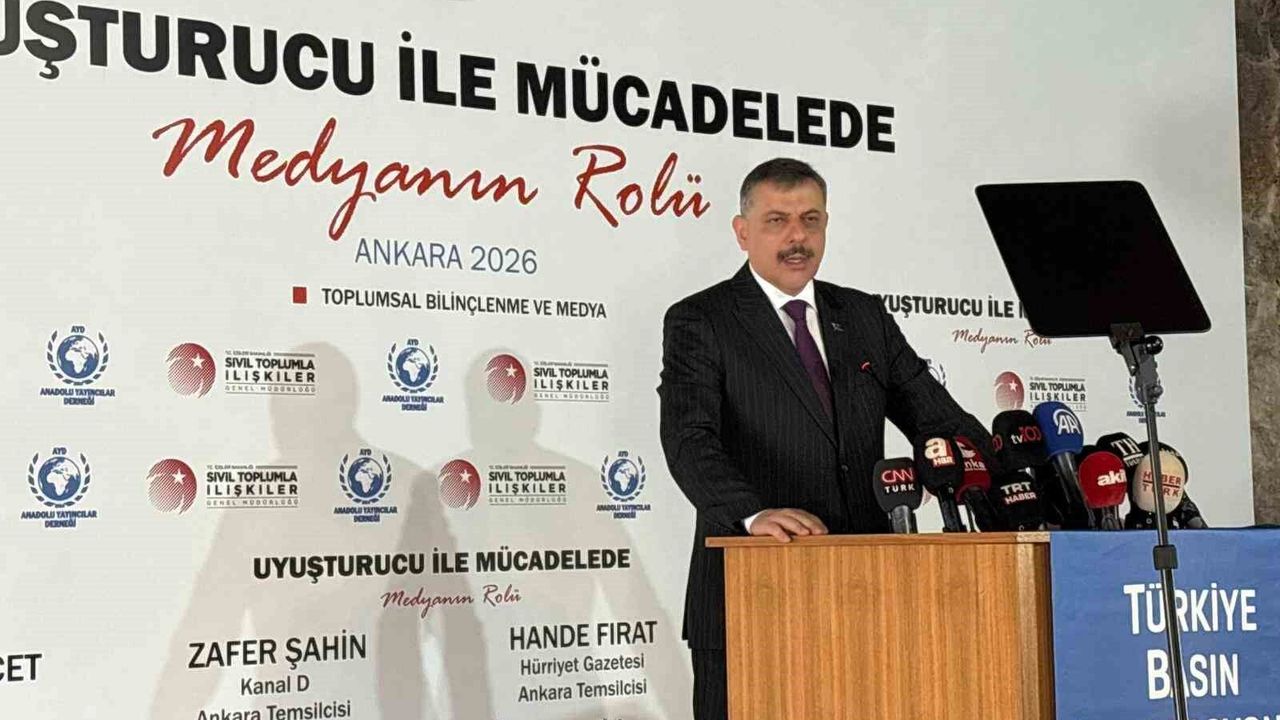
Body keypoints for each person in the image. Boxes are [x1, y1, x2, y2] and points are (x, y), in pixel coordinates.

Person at [657, 157, 990, 720]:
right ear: (742, 232)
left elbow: (940, 419)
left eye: (810, 220)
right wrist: (752, 513)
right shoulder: (702, 319)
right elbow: (689, 439)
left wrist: (1004, 474)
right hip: (753, 594)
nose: (797, 237)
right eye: (777, 220)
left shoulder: (863, 316)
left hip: (867, 599)